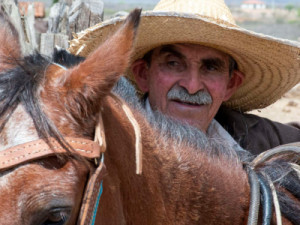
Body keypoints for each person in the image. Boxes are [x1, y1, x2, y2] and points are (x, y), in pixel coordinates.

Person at [69, 0, 300, 155]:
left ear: (231, 84)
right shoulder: (104, 147)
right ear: (142, 75)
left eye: (210, 68)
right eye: (173, 64)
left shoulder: (257, 139)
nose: (191, 86)